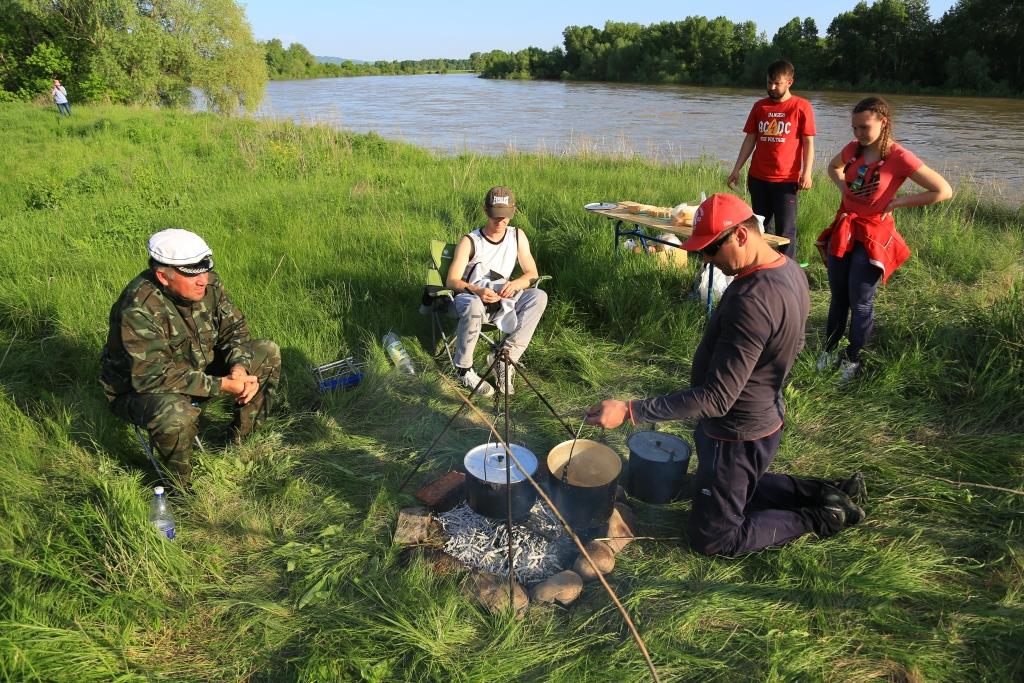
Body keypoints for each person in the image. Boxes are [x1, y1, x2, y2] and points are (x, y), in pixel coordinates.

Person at [587, 193, 865, 557]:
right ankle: (826, 491)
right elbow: (794, 344)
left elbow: (717, 398)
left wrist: (630, 409)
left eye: (711, 249)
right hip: (764, 418)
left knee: (713, 539)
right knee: (734, 484)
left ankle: (821, 516)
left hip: (734, 434)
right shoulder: (788, 269)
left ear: (741, 235)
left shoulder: (751, 301)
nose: (706, 259)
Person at [100, 228, 281, 486]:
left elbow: (234, 330)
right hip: (140, 390)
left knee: (267, 352)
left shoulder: (209, 285)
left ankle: (240, 442)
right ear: (163, 276)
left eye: (205, 270)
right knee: (176, 414)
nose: (202, 281)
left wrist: (239, 369)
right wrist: (222, 385)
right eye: (192, 274)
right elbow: (152, 377)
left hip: (197, 368)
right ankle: (181, 487)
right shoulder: (138, 309)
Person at [816, 96, 952, 381]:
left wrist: (898, 202)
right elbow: (833, 167)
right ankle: (828, 351)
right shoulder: (853, 149)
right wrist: (843, 187)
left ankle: (852, 359)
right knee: (838, 297)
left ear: (883, 122)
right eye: (855, 128)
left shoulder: (899, 157)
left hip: (872, 236)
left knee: (860, 301)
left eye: (864, 127)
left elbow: (942, 190)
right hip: (845, 230)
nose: (858, 133)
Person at [445, 186, 548, 397]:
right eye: (495, 216)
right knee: (473, 304)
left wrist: (517, 283)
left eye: (505, 216)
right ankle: (464, 370)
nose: (500, 221)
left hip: (502, 299)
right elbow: (452, 280)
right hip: (470, 298)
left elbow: (532, 273)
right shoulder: (470, 241)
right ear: (485, 211)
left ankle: (504, 358)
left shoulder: (517, 236)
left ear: (513, 211)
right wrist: (477, 290)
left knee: (539, 296)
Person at [728, 60, 815, 259]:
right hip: (758, 178)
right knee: (761, 227)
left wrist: (807, 172)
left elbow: (808, 142)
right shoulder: (760, 107)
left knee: (786, 231)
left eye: (777, 83)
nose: (772, 87)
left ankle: (788, 270)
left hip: (786, 180)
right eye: (769, 83)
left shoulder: (802, 107)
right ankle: (763, 265)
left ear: (789, 82)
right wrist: (736, 169)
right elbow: (750, 139)